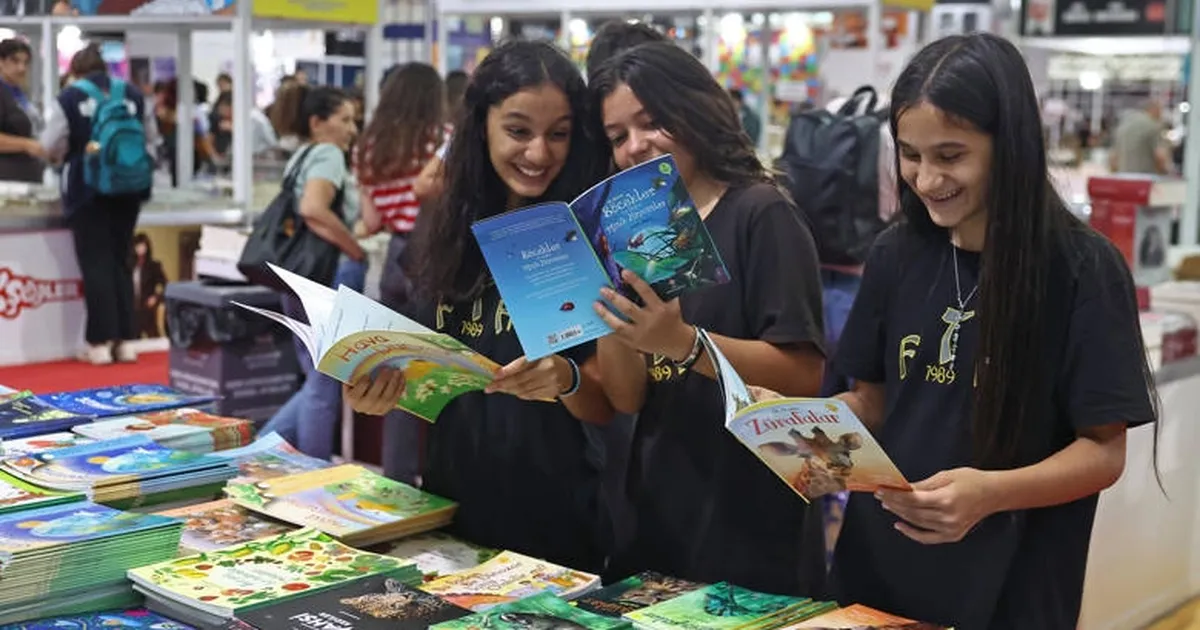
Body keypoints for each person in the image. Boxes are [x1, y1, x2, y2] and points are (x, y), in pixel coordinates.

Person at [830, 33, 1157, 629]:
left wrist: (990, 494)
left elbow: (1104, 453)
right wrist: (799, 427)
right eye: (909, 154)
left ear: (1010, 147)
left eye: (950, 156)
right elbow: (873, 403)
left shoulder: (1082, 268)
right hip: (878, 570)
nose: (926, 180)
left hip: (1015, 584)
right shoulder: (895, 253)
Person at [344, 40, 613, 572]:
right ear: (481, 125)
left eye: (557, 134)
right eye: (518, 131)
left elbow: (615, 404)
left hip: (558, 517)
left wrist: (565, 377)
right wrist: (376, 391)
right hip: (451, 508)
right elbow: (419, 366)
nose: (538, 153)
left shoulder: (587, 232)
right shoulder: (448, 228)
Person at [589, 41, 828, 596]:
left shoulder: (761, 213)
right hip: (657, 504)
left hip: (749, 511)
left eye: (651, 122)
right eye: (617, 136)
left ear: (692, 109)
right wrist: (611, 313)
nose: (634, 146)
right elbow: (627, 399)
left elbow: (802, 376)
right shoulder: (637, 235)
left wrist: (684, 343)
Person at [257, 85, 368, 460]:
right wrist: (354, 249)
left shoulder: (300, 156)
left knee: (316, 379)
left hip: (297, 274)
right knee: (325, 383)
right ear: (318, 123)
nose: (353, 129)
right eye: (345, 120)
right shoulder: (328, 154)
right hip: (328, 274)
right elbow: (313, 208)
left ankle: (255, 453)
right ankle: (315, 471)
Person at [354, 63, 449, 482]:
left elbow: (371, 219)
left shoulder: (369, 145)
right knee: (441, 373)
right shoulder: (442, 140)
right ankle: (437, 475)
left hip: (392, 257)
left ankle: (397, 476)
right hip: (432, 253)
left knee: (396, 380)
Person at [41, 44, 157, 365]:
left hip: (86, 190)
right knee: (122, 261)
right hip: (129, 190)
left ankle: (100, 342)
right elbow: (151, 140)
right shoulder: (132, 94)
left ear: (76, 70)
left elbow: (51, 144)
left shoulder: (69, 98)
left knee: (96, 264)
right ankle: (126, 341)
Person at [0, 38, 45, 183]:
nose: (22, 68)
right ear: (1, 61)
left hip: (27, 176)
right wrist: (26, 145)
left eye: (26, 63)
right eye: (15, 61)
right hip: (6, 180)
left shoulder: (20, 94)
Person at [1110, 99, 1172, 175]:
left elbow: (1113, 157)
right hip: (1146, 177)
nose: (1161, 115)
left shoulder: (1123, 126)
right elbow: (1160, 155)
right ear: (1154, 110)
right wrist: (1164, 173)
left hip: (1123, 176)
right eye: (1161, 111)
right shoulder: (1153, 126)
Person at [132, 233, 167, 339]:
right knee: (133, 340)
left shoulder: (154, 266)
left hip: (147, 309)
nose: (140, 249)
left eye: (143, 245)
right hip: (132, 310)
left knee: (152, 337)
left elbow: (166, 285)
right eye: (137, 246)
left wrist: (155, 297)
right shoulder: (129, 266)